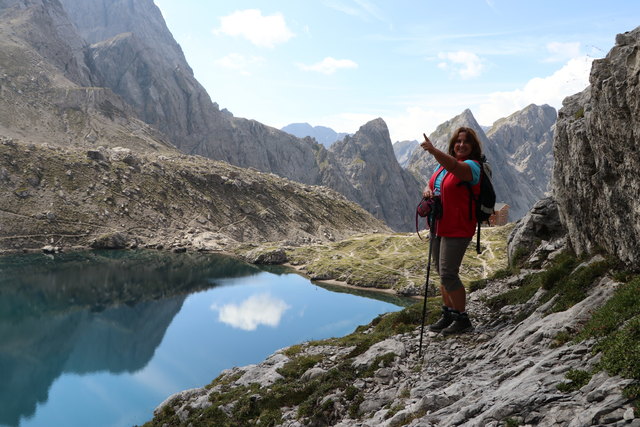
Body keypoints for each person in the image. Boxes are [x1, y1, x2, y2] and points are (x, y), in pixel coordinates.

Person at [420, 126, 483, 335]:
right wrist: (428, 190)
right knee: (442, 272)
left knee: (448, 273)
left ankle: (462, 318)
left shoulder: (472, 166)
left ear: (473, 147)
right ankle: (448, 314)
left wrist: (433, 150)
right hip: (439, 225)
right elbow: (432, 185)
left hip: (458, 227)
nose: (461, 145)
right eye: (458, 141)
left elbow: (455, 166)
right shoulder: (442, 168)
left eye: (466, 142)